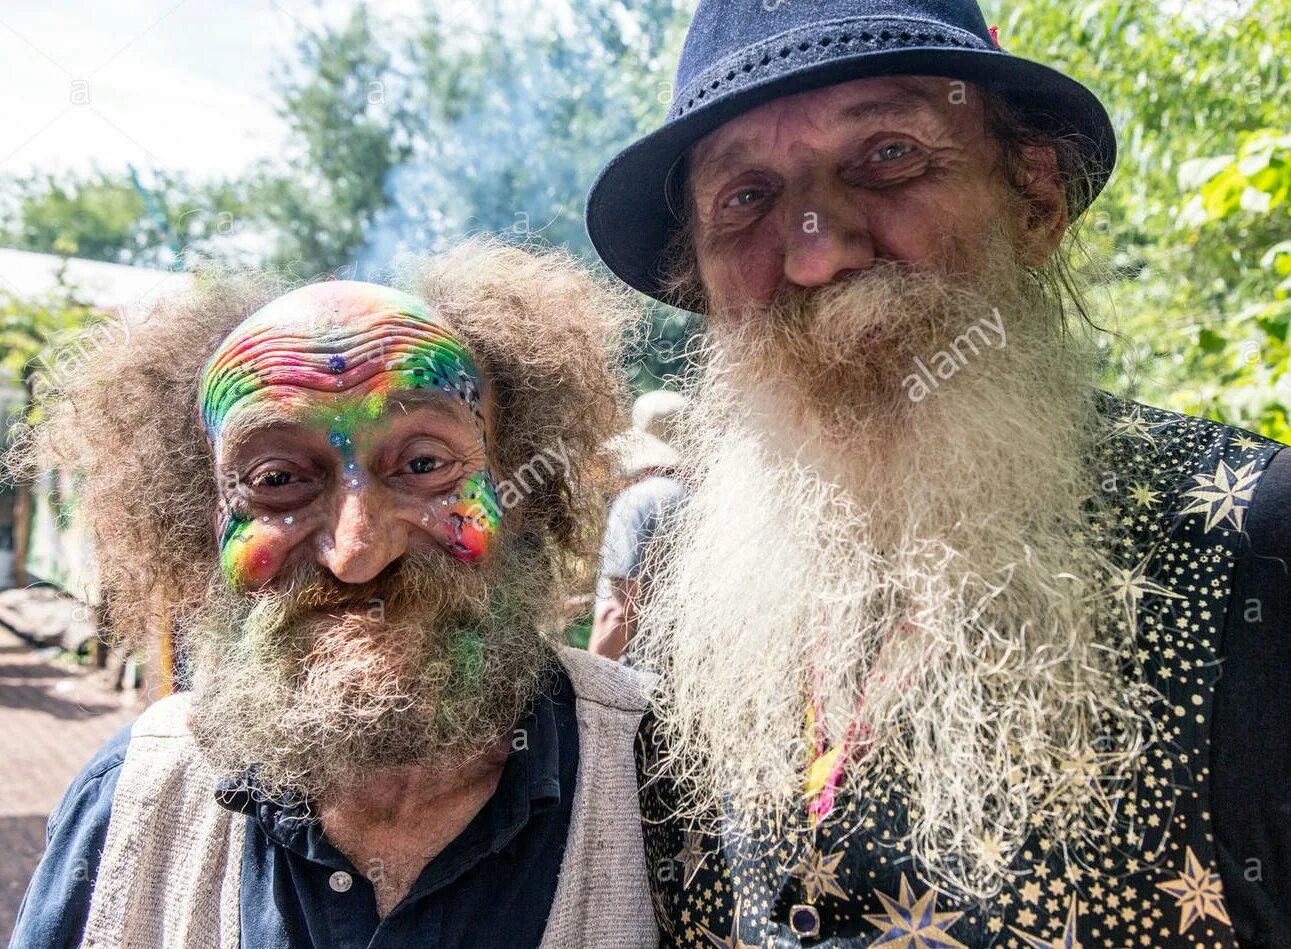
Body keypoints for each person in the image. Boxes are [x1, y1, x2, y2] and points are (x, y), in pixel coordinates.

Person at [586, 0, 1291, 946]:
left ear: (1033, 197)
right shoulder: (683, 597)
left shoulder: (1254, 544)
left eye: (887, 156)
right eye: (745, 197)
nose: (816, 249)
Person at [7, 240, 658, 949]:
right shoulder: (130, 803)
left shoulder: (664, 785)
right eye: (278, 479)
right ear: (197, 518)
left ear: (516, 491)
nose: (356, 552)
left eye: (423, 464)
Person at [590, 390, 688, 661]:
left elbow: (617, 613)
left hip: (644, 685)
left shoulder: (638, 502)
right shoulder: (712, 503)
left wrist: (589, 691)